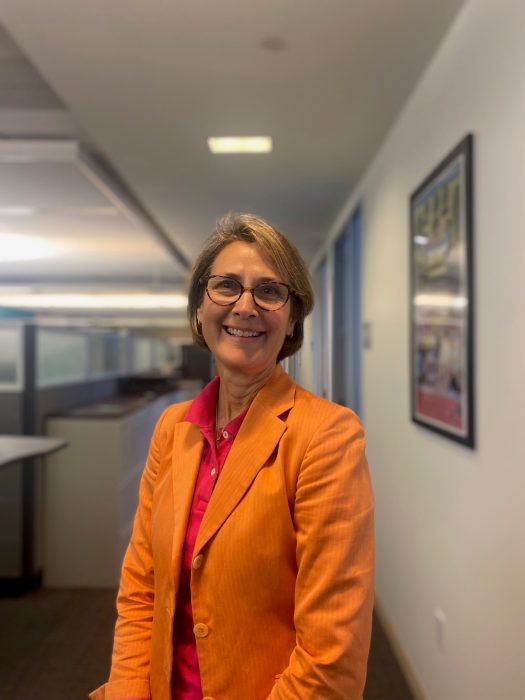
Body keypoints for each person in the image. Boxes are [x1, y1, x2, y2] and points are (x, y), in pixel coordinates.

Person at [90, 213, 374, 700]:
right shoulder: (172, 428)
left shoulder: (326, 436)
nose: (245, 306)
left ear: (291, 319)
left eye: (269, 291)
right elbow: (142, 586)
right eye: (226, 286)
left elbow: (332, 652)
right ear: (201, 307)